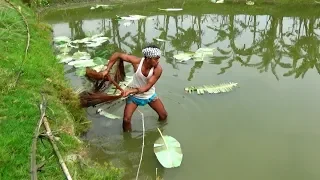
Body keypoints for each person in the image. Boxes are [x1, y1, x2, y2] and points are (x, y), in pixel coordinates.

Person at [102, 45, 168, 132]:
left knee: (163, 116)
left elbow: (146, 87)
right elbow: (117, 54)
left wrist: (130, 91)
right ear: (148, 58)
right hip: (134, 97)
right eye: (156, 58)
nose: (158, 61)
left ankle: (160, 130)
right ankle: (128, 138)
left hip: (149, 95)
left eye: (158, 58)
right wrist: (107, 69)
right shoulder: (137, 62)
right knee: (126, 120)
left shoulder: (158, 69)